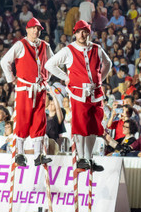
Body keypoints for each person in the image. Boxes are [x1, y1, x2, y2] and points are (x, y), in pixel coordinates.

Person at [45, 20, 111, 171]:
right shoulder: (68, 50)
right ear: (74, 33)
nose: (82, 34)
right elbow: (50, 64)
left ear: (89, 32)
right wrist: (67, 78)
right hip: (78, 93)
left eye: (85, 31)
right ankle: (81, 158)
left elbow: (108, 64)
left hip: (95, 93)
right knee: (81, 127)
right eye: (79, 31)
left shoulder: (97, 48)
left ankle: (89, 158)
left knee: (94, 127)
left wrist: (100, 79)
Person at [0, 17, 54, 167]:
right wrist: (12, 79)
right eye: (33, 28)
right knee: (23, 119)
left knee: (39, 120)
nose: (36, 31)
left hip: (39, 89)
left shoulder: (45, 45)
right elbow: (5, 62)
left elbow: (52, 63)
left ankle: (38, 155)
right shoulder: (20, 44)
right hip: (25, 89)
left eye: (38, 29)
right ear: (27, 29)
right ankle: (20, 154)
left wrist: (45, 78)